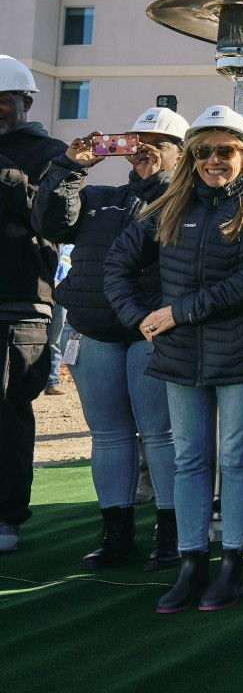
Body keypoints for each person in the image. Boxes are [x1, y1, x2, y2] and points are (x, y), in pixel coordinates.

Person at [103, 105, 243, 612]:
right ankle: (191, 563)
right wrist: (138, 316)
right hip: (180, 356)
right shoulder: (168, 205)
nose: (212, 159)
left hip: (238, 350)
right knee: (189, 460)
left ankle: (232, 563)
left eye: (224, 150)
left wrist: (174, 313)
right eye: (202, 150)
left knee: (235, 457)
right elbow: (117, 263)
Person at [33, 105, 189, 571]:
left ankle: (170, 531)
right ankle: (116, 530)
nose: (143, 150)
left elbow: (173, 234)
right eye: (135, 140)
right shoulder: (100, 194)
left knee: (160, 436)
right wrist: (69, 168)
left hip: (151, 330)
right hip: (98, 331)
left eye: (158, 145)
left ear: (180, 155)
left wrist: (158, 181)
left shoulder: (187, 201)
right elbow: (50, 223)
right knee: (109, 436)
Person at [0, 56, 67, 555]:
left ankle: (6, 517)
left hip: (20, 304)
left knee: (8, 412)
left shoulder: (51, 153)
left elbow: (52, 217)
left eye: (2, 100)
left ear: (25, 102)